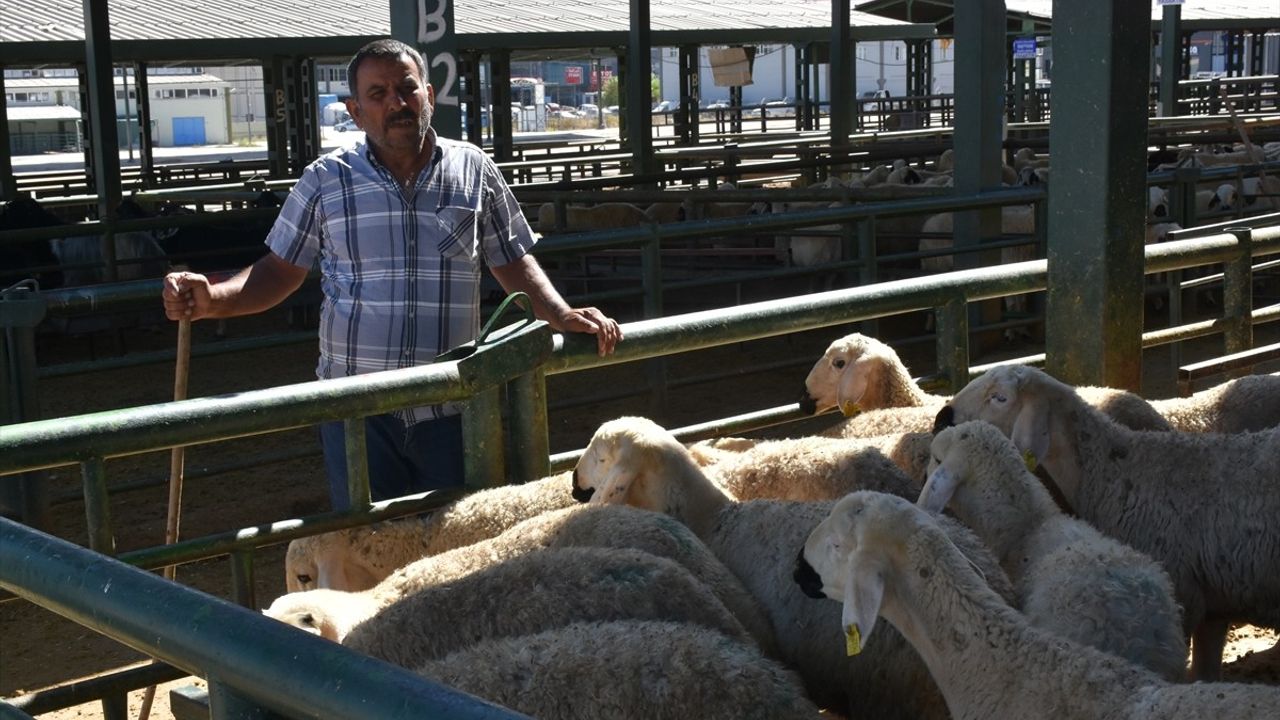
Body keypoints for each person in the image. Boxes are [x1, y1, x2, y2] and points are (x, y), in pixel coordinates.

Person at [162, 38, 622, 510]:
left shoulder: (473, 169)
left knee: (458, 548)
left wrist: (560, 313)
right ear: (355, 111)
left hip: (453, 405)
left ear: (429, 93)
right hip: (357, 411)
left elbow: (511, 261)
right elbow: (279, 270)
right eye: (377, 94)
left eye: (406, 89)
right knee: (366, 550)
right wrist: (214, 298)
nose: (396, 103)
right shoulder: (326, 179)